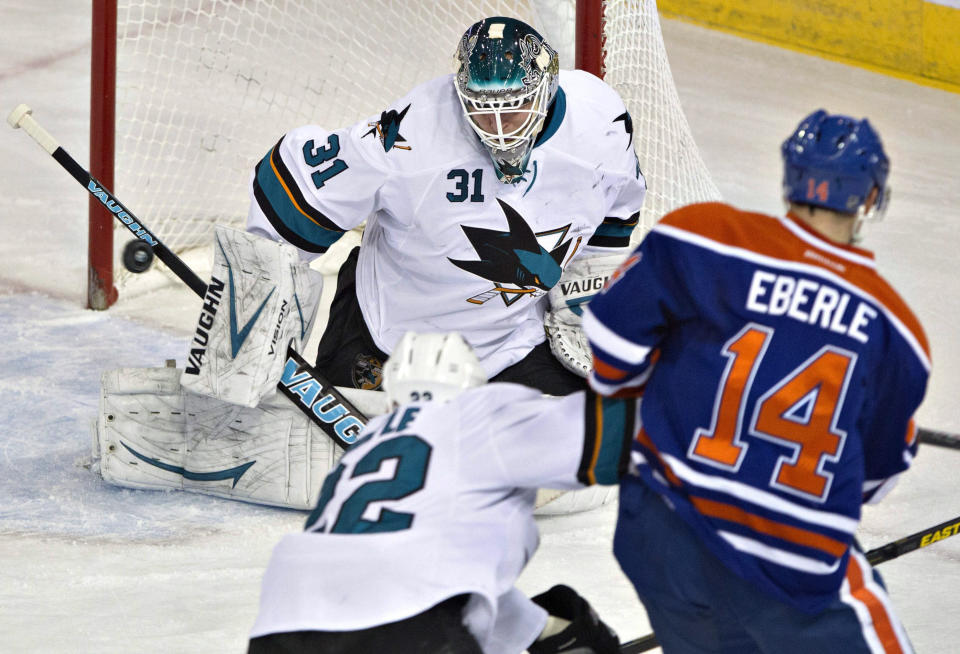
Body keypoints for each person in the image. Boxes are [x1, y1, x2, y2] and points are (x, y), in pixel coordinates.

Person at [583, 110, 930, 652]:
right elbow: (874, 482)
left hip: (658, 533)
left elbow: (609, 352)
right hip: (788, 565)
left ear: (790, 181)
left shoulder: (704, 237)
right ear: (869, 198)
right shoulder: (897, 331)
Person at [246, 16, 646, 395]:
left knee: (577, 447)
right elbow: (292, 197)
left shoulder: (601, 123)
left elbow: (615, 216)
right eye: (484, 111)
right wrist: (254, 313)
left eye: (515, 107)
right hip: (391, 341)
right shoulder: (410, 134)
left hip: (515, 346)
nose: (501, 129)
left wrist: (582, 295)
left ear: (548, 89)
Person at [248, 331, 635, 654]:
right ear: (471, 386)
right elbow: (608, 434)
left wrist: (544, 630)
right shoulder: (478, 416)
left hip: (283, 627)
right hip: (409, 629)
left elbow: (430, 578)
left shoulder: (363, 452)